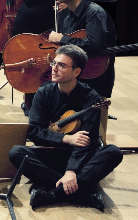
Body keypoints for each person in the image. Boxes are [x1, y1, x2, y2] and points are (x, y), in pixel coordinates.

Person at [9, 45, 123, 211]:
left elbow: (87, 143)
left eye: (61, 65)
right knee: (16, 153)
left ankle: (52, 193)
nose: (54, 69)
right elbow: (34, 132)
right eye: (54, 63)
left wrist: (71, 170)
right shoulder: (43, 92)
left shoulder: (91, 98)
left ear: (76, 72)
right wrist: (65, 138)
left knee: (113, 152)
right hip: (51, 152)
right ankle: (82, 193)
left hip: (79, 157)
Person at [12, 0, 67, 115]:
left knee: (48, 63)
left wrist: (64, 3)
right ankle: (29, 103)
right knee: (31, 64)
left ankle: (48, 102)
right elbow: (28, 1)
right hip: (27, 23)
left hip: (49, 25)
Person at [48, 0, 116, 100]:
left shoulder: (94, 12)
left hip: (94, 76)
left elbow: (94, 44)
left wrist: (62, 38)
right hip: (78, 76)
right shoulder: (69, 16)